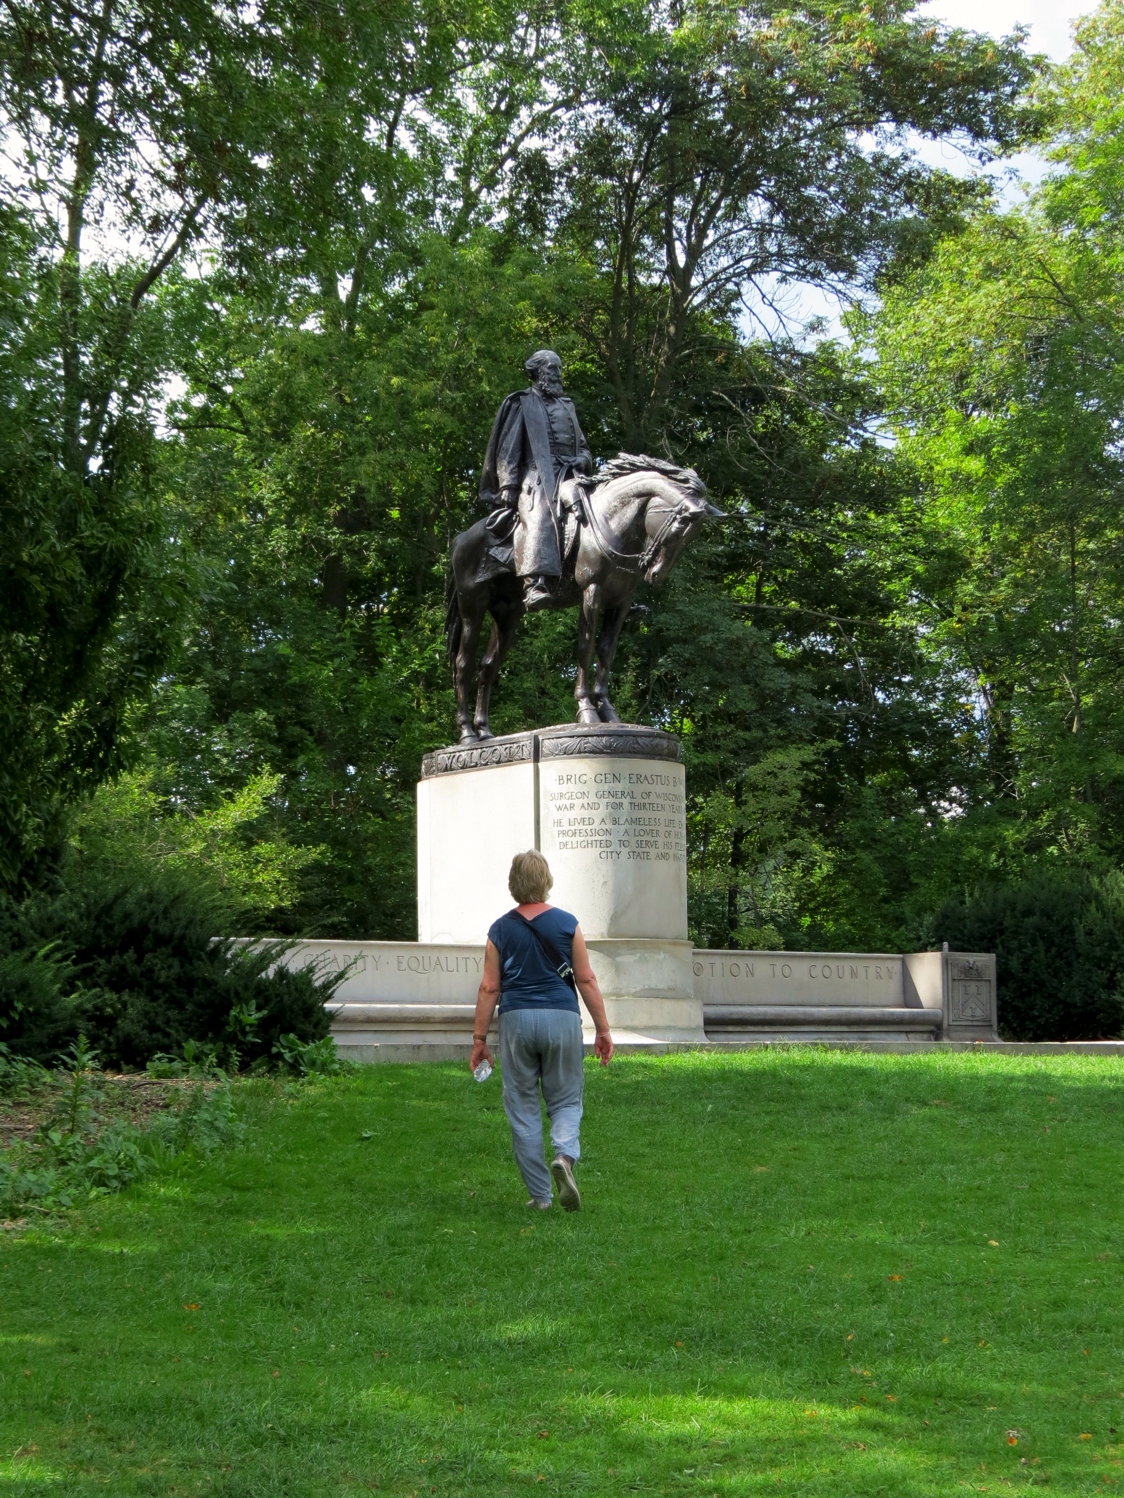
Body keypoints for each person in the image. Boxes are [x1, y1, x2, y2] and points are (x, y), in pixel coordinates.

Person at [469, 849, 613, 1211]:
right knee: (565, 1098)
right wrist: (603, 1029)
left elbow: (489, 988)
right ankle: (564, 1157)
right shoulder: (567, 923)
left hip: (517, 1019)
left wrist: (478, 1040)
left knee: (523, 1105)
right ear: (546, 881)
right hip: (561, 1017)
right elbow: (585, 978)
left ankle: (541, 1197)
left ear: (513, 884)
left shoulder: (499, 929)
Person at [477, 350, 593, 611]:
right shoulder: (522, 403)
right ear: (539, 371)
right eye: (553, 368)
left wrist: (582, 459)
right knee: (541, 510)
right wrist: (507, 485)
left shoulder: (568, 406)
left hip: (572, 474)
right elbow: (508, 449)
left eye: (559, 368)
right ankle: (534, 583)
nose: (558, 373)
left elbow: (584, 446)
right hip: (538, 474)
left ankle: (610, 582)